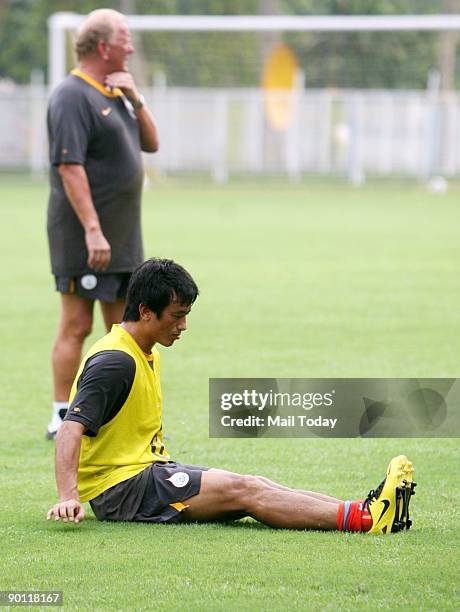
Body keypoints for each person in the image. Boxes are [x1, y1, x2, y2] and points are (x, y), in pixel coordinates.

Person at [46, 258, 416, 534]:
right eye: (177, 316)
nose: (184, 325)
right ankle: (365, 519)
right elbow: (70, 427)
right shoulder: (115, 361)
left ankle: (363, 510)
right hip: (124, 490)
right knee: (246, 490)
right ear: (145, 310)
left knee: (254, 483)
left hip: (145, 475)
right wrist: (68, 496)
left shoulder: (142, 350)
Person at [46, 9, 159, 439]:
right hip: (86, 236)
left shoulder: (116, 91)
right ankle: (60, 416)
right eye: (125, 39)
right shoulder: (71, 96)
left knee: (124, 329)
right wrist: (93, 229)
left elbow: (151, 143)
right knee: (77, 324)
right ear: (103, 46)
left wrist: (137, 99)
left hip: (124, 237)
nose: (130, 47)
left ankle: (114, 414)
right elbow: (69, 167)